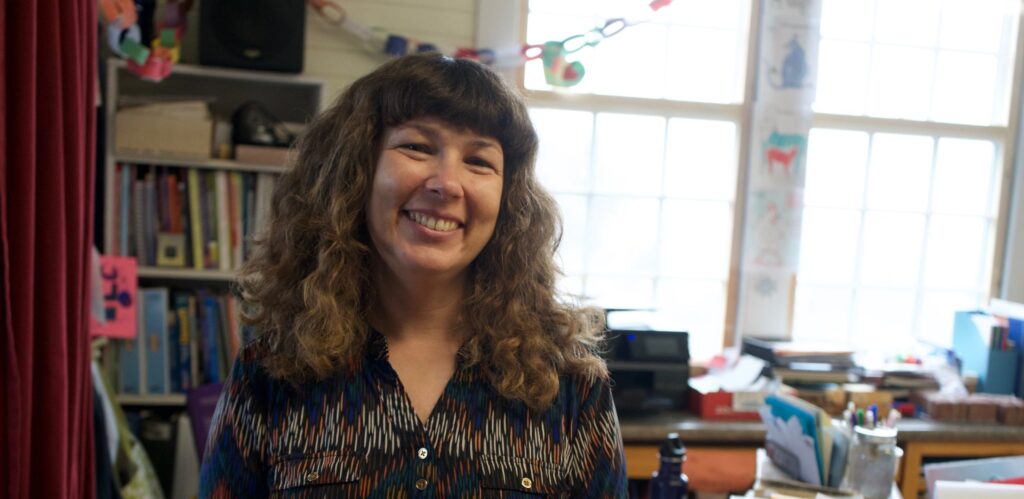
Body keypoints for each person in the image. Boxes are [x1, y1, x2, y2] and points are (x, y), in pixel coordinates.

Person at [199, 53, 627, 497]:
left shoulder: (571, 385)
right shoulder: (271, 371)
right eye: (417, 147)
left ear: (509, 201)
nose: (447, 183)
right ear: (357, 173)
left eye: (479, 161)